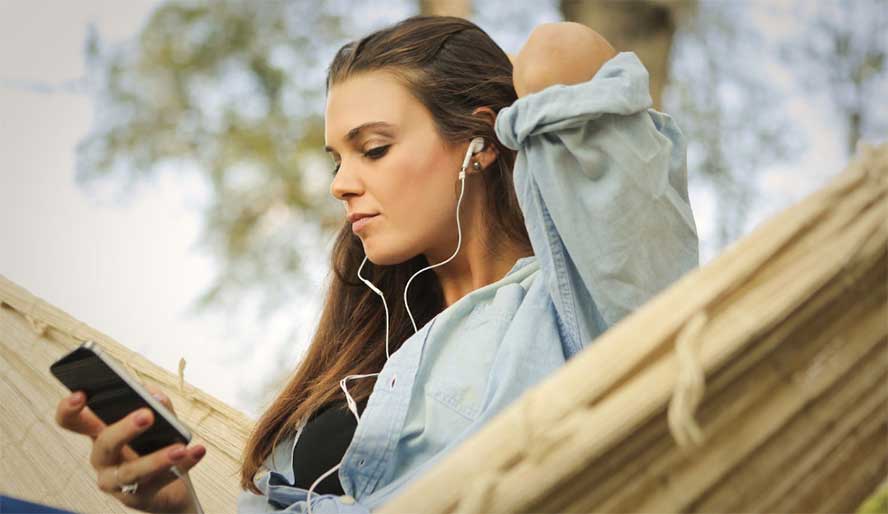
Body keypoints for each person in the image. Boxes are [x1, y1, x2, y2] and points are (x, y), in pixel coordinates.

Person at [54, 15, 698, 514]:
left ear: (480, 142)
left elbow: (561, 52)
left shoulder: (582, 307)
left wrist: (517, 119)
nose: (340, 183)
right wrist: (177, 508)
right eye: (337, 157)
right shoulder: (359, 357)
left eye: (374, 148)